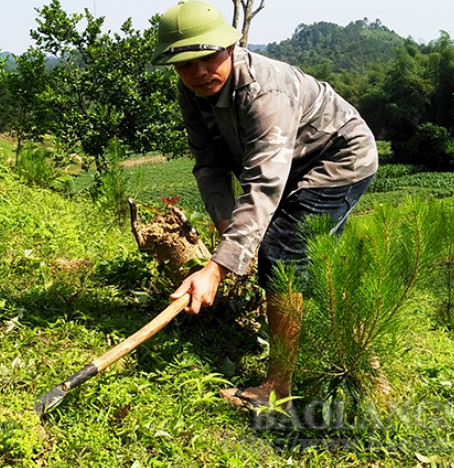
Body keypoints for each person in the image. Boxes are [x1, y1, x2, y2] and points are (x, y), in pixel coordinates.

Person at [151, 0, 378, 410]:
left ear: (230, 47)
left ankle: (278, 387)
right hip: (290, 162)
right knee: (305, 259)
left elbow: (262, 184)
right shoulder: (192, 91)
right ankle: (352, 345)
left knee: (283, 253)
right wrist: (225, 226)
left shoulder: (264, 92)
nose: (200, 71)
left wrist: (218, 267)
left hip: (338, 158)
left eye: (208, 57)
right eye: (186, 64)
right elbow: (209, 163)